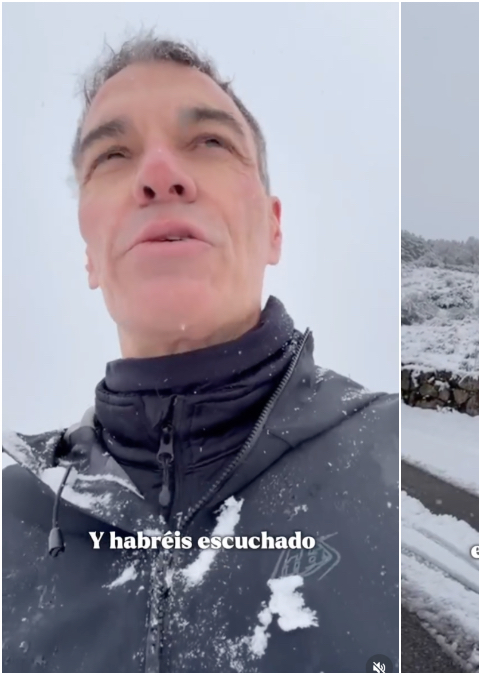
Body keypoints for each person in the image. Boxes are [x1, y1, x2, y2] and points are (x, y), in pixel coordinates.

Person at [2, 32, 398, 673]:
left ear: (273, 226)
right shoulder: (8, 515)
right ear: (88, 253)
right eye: (112, 154)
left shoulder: (399, 461)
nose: (160, 174)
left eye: (210, 141)